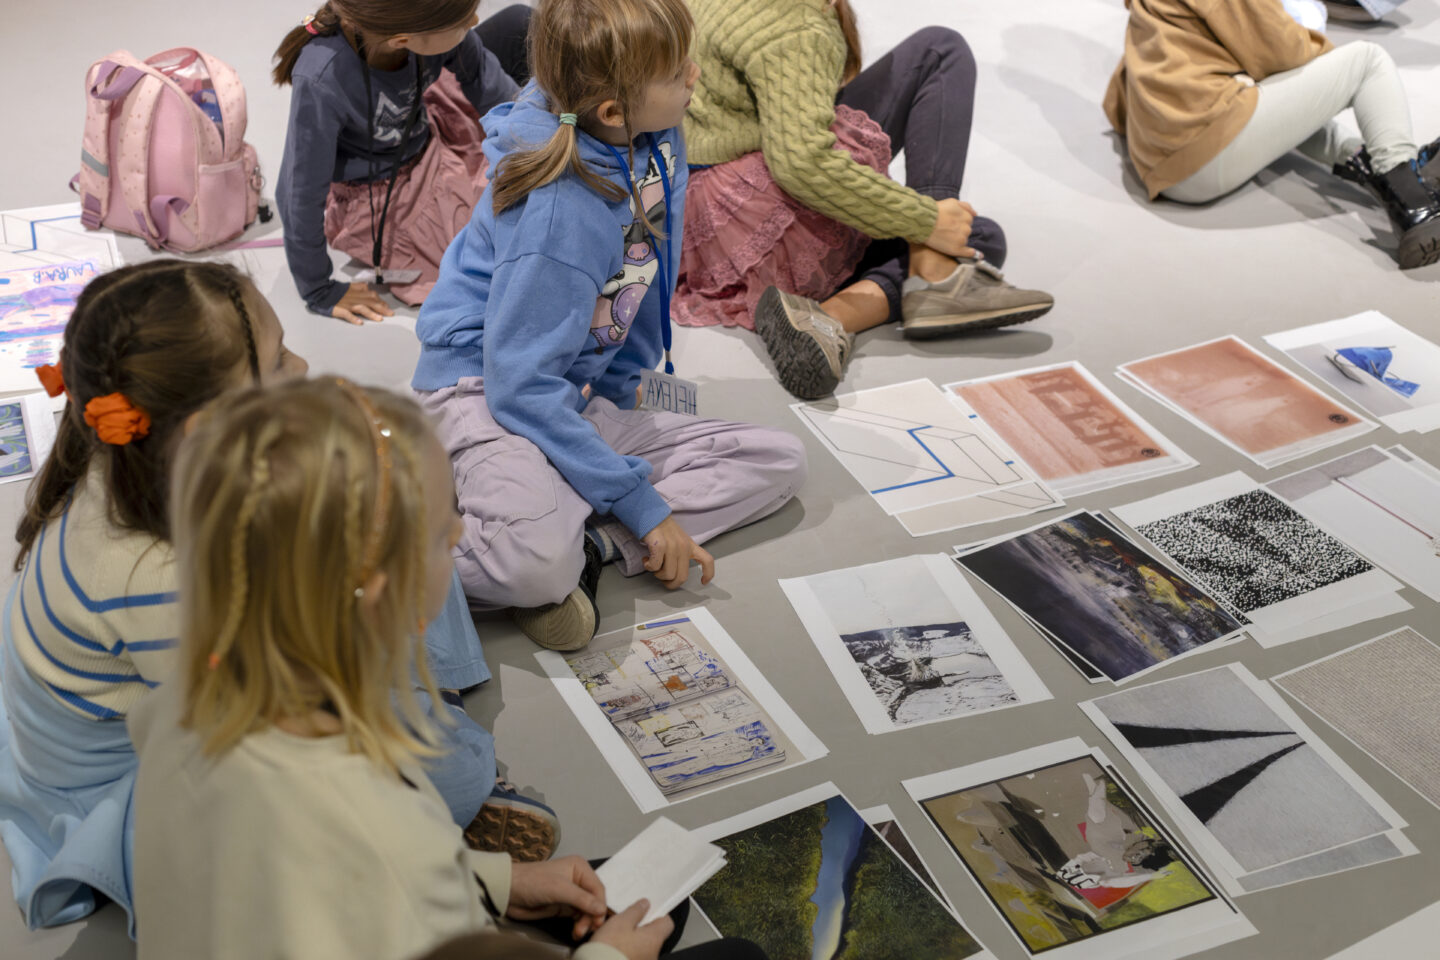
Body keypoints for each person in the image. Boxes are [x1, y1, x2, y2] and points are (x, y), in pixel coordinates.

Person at [131, 380, 763, 960]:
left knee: (649, 906)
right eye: (442, 532)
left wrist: (500, 883)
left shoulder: (177, 705)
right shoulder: (377, 809)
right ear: (392, 597)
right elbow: (387, 883)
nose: (463, 529)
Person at [0, 261, 526, 938]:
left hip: (194, 700)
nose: (301, 366)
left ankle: (427, 697)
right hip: (138, 787)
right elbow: (261, 765)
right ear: (205, 431)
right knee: (454, 773)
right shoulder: (156, 581)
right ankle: (436, 706)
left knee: (403, 516)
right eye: (278, 361)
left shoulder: (139, 466)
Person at [412, 0, 808, 652]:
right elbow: (518, 387)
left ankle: (588, 546)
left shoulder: (657, 138)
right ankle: (406, 565)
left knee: (778, 459)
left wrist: (623, 404)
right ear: (614, 112)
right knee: (536, 566)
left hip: (566, 391)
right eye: (676, 72)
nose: (695, 76)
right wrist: (643, 505)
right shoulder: (559, 214)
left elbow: (644, 283)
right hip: (482, 390)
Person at [676, 0, 1056, 400]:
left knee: (979, 237)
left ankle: (826, 318)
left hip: (699, 230)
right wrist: (926, 221)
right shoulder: (795, 21)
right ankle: (911, 284)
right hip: (761, 222)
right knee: (939, 50)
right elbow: (803, 162)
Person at [1105, 0, 1440, 269]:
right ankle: (1413, 200)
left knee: (1262, 87)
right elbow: (1284, 53)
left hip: (1161, 152)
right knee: (1367, 61)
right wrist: (1324, 69)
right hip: (1199, 157)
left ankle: (1373, 164)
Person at [273, 1, 532, 321]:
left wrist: (533, 142)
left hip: (428, 125)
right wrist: (318, 287)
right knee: (493, 249)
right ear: (401, 40)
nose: (475, 20)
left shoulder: (422, 31)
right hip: (385, 192)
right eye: (462, 20)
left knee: (520, 21)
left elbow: (485, 78)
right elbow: (299, 191)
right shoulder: (321, 78)